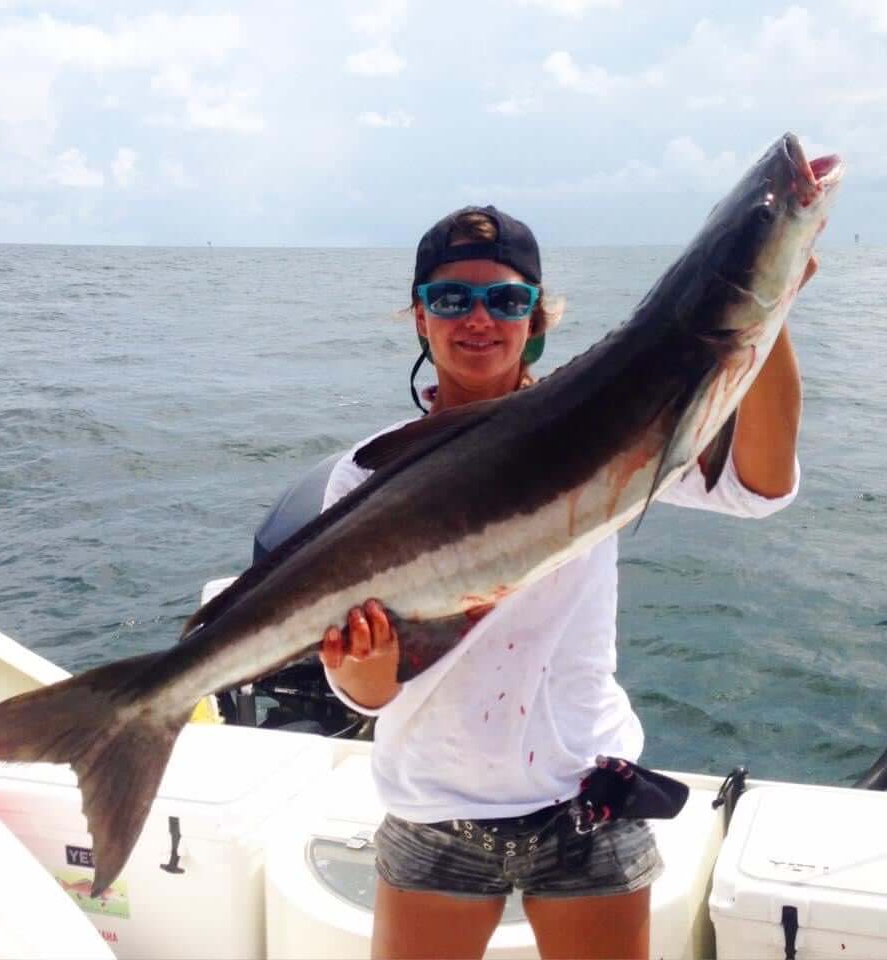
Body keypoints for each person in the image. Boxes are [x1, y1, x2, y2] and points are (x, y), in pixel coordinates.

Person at [318, 205, 811, 960]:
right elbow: (364, 693)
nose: (478, 319)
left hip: (588, 800)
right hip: (431, 807)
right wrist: (366, 677)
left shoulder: (611, 428)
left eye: (507, 300)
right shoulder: (372, 474)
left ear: (537, 316)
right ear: (419, 317)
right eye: (452, 298)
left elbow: (760, 487)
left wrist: (770, 317)